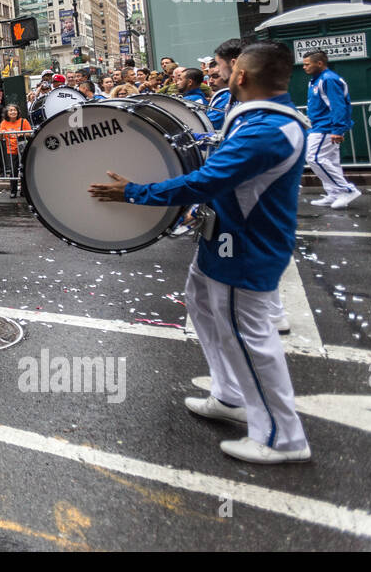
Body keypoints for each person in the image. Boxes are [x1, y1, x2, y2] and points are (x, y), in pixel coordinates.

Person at [89, 42, 310, 464]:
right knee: (202, 306)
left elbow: (205, 180)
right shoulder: (258, 119)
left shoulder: (266, 130)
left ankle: (282, 436)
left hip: (244, 245)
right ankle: (228, 395)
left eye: (225, 68)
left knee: (247, 337)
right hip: (224, 236)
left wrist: (133, 192)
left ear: (241, 75)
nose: (215, 71)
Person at [303, 49, 359, 208]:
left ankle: (346, 190)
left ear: (319, 63)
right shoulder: (317, 80)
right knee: (331, 161)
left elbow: (338, 106)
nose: (304, 67)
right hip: (321, 126)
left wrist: (337, 130)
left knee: (314, 158)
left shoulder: (328, 80)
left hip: (325, 127)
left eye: (307, 64)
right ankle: (334, 194)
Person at [0, 105, 31, 197]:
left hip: (22, 150)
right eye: (11, 110)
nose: (13, 112)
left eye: (15, 110)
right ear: (7, 113)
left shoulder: (23, 121)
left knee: (24, 170)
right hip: (11, 150)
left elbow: (30, 133)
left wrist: (22, 133)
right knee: (13, 171)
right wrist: (2, 134)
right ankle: (13, 191)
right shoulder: (4, 123)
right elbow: (0, 137)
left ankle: (24, 190)